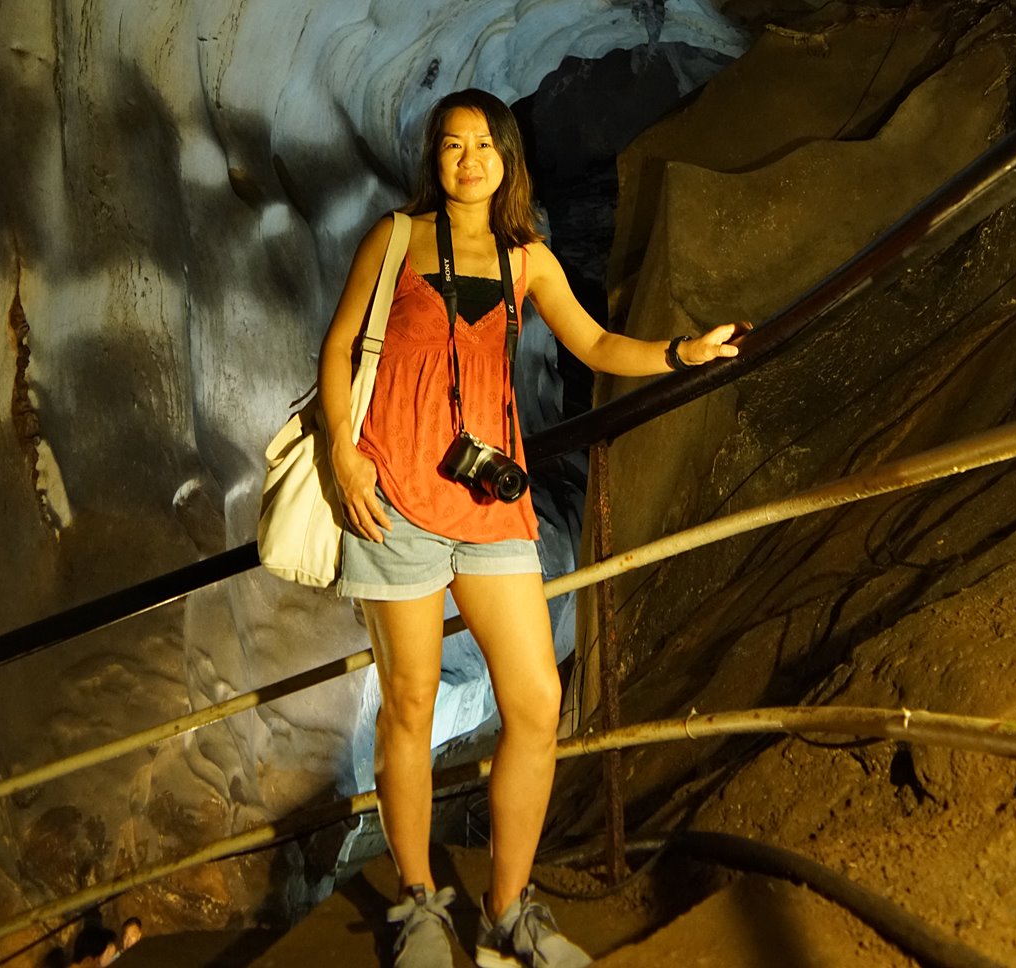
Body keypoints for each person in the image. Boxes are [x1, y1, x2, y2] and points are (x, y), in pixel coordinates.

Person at [319, 89, 744, 968]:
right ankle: (417, 903)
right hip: (392, 497)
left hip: (488, 504)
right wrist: (343, 455)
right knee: (409, 702)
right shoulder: (394, 239)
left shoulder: (528, 260)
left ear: (508, 159)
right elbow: (339, 345)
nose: (468, 160)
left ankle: (507, 912)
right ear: (435, 158)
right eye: (452, 145)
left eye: (484, 145)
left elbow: (596, 345)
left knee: (537, 702)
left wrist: (682, 352)